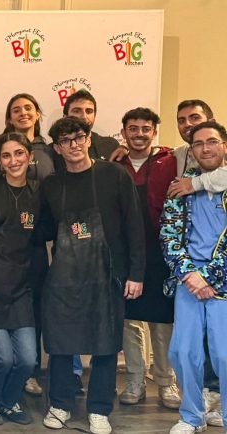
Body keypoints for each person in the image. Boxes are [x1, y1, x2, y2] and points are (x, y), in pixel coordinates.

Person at [37, 116, 145, 434]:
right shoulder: (52, 185)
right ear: (56, 148)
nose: (74, 145)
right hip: (65, 276)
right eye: (66, 141)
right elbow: (42, 228)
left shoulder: (114, 175)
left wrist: (135, 273)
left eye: (79, 137)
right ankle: (60, 404)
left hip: (108, 273)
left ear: (88, 139)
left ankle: (99, 409)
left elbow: (134, 227)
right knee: (60, 342)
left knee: (106, 342)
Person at [0, 133, 42, 426]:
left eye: (19, 154)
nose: (13, 161)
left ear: (30, 157)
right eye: (6, 155)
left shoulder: (38, 193)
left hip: (20, 287)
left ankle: (9, 401)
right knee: (2, 357)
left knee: (27, 359)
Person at [162, 121, 227, 434]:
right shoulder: (180, 186)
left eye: (212, 141)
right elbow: (168, 234)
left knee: (224, 354)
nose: (206, 148)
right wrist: (189, 274)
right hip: (188, 281)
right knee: (183, 351)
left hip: (222, 282)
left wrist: (208, 275)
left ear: (224, 146)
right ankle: (192, 416)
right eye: (199, 144)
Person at [114, 107, 181, 409]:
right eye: (133, 128)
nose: (139, 134)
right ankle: (134, 380)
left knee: (162, 321)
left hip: (162, 251)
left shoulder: (170, 161)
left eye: (145, 128)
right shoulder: (115, 165)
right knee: (129, 320)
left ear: (154, 132)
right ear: (124, 132)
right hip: (126, 253)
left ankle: (166, 382)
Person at [0, 94, 56, 181]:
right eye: (16, 111)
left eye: (28, 108)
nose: (23, 113)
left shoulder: (50, 151)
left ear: (37, 115)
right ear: (10, 119)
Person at [63, 90, 121, 161]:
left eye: (89, 111)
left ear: (94, 116)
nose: (84, 116)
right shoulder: (53, 150)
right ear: (65, 117)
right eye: (77, 111)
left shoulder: (110, 145)